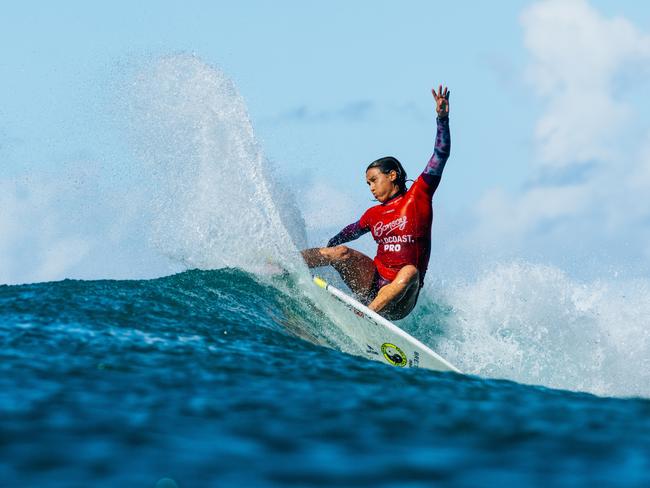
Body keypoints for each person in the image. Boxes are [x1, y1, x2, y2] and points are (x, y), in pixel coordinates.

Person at [302, 85, 451, 320]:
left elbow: (440, 156)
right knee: (340, 252)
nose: (371, 187)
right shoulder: (373, 214)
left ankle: (363, 318)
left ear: (392, 175)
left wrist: (442, 119)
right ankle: (288, 263)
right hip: (372, 283)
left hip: (400, 298)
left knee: (410, 271)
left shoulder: (418, 196)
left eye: (374, 180)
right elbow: (348, 233)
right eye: (367, 183)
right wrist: (328, 252)